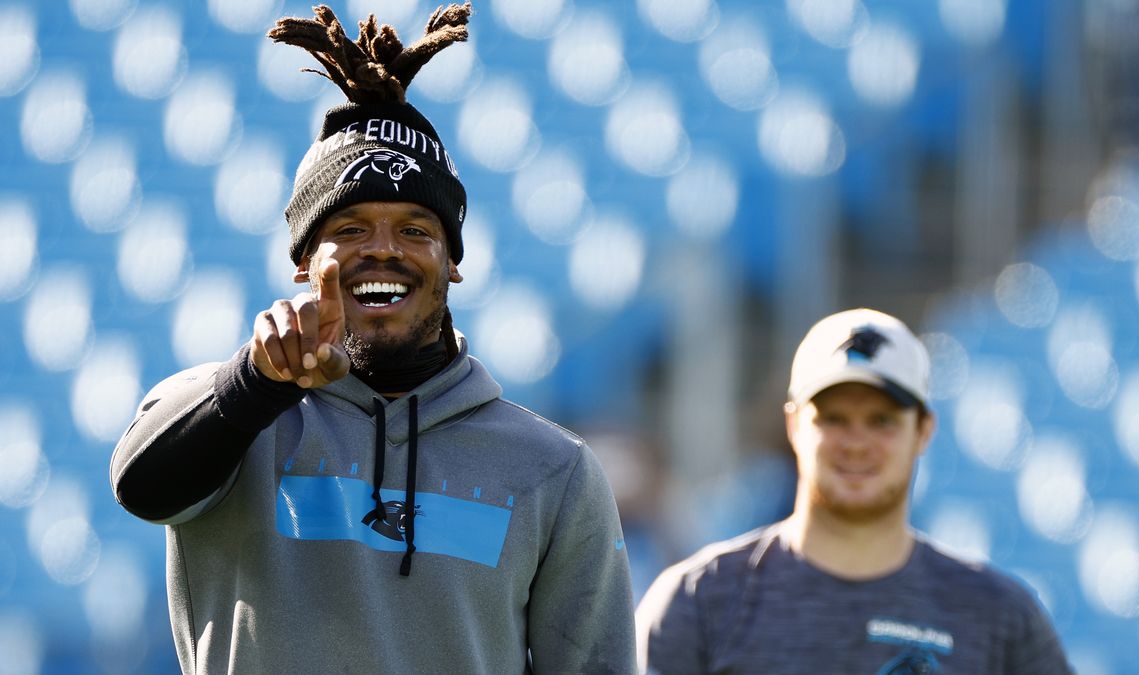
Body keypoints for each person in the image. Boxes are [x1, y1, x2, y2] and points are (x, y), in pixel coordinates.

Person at [109, 4, 636, 673]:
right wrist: (257, 384)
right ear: (304, 261)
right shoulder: (229, 414)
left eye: (416, 229)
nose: (382, 251)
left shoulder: (554, 470)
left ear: (454, 263)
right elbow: (141, 488)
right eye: (351, 227)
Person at [636, 308, 1072, 674]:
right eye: (833, 418)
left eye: (881, 420)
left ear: (923, 430)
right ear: (793, 426)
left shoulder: (1000, 617)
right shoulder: (699, 600)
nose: (856, 443)